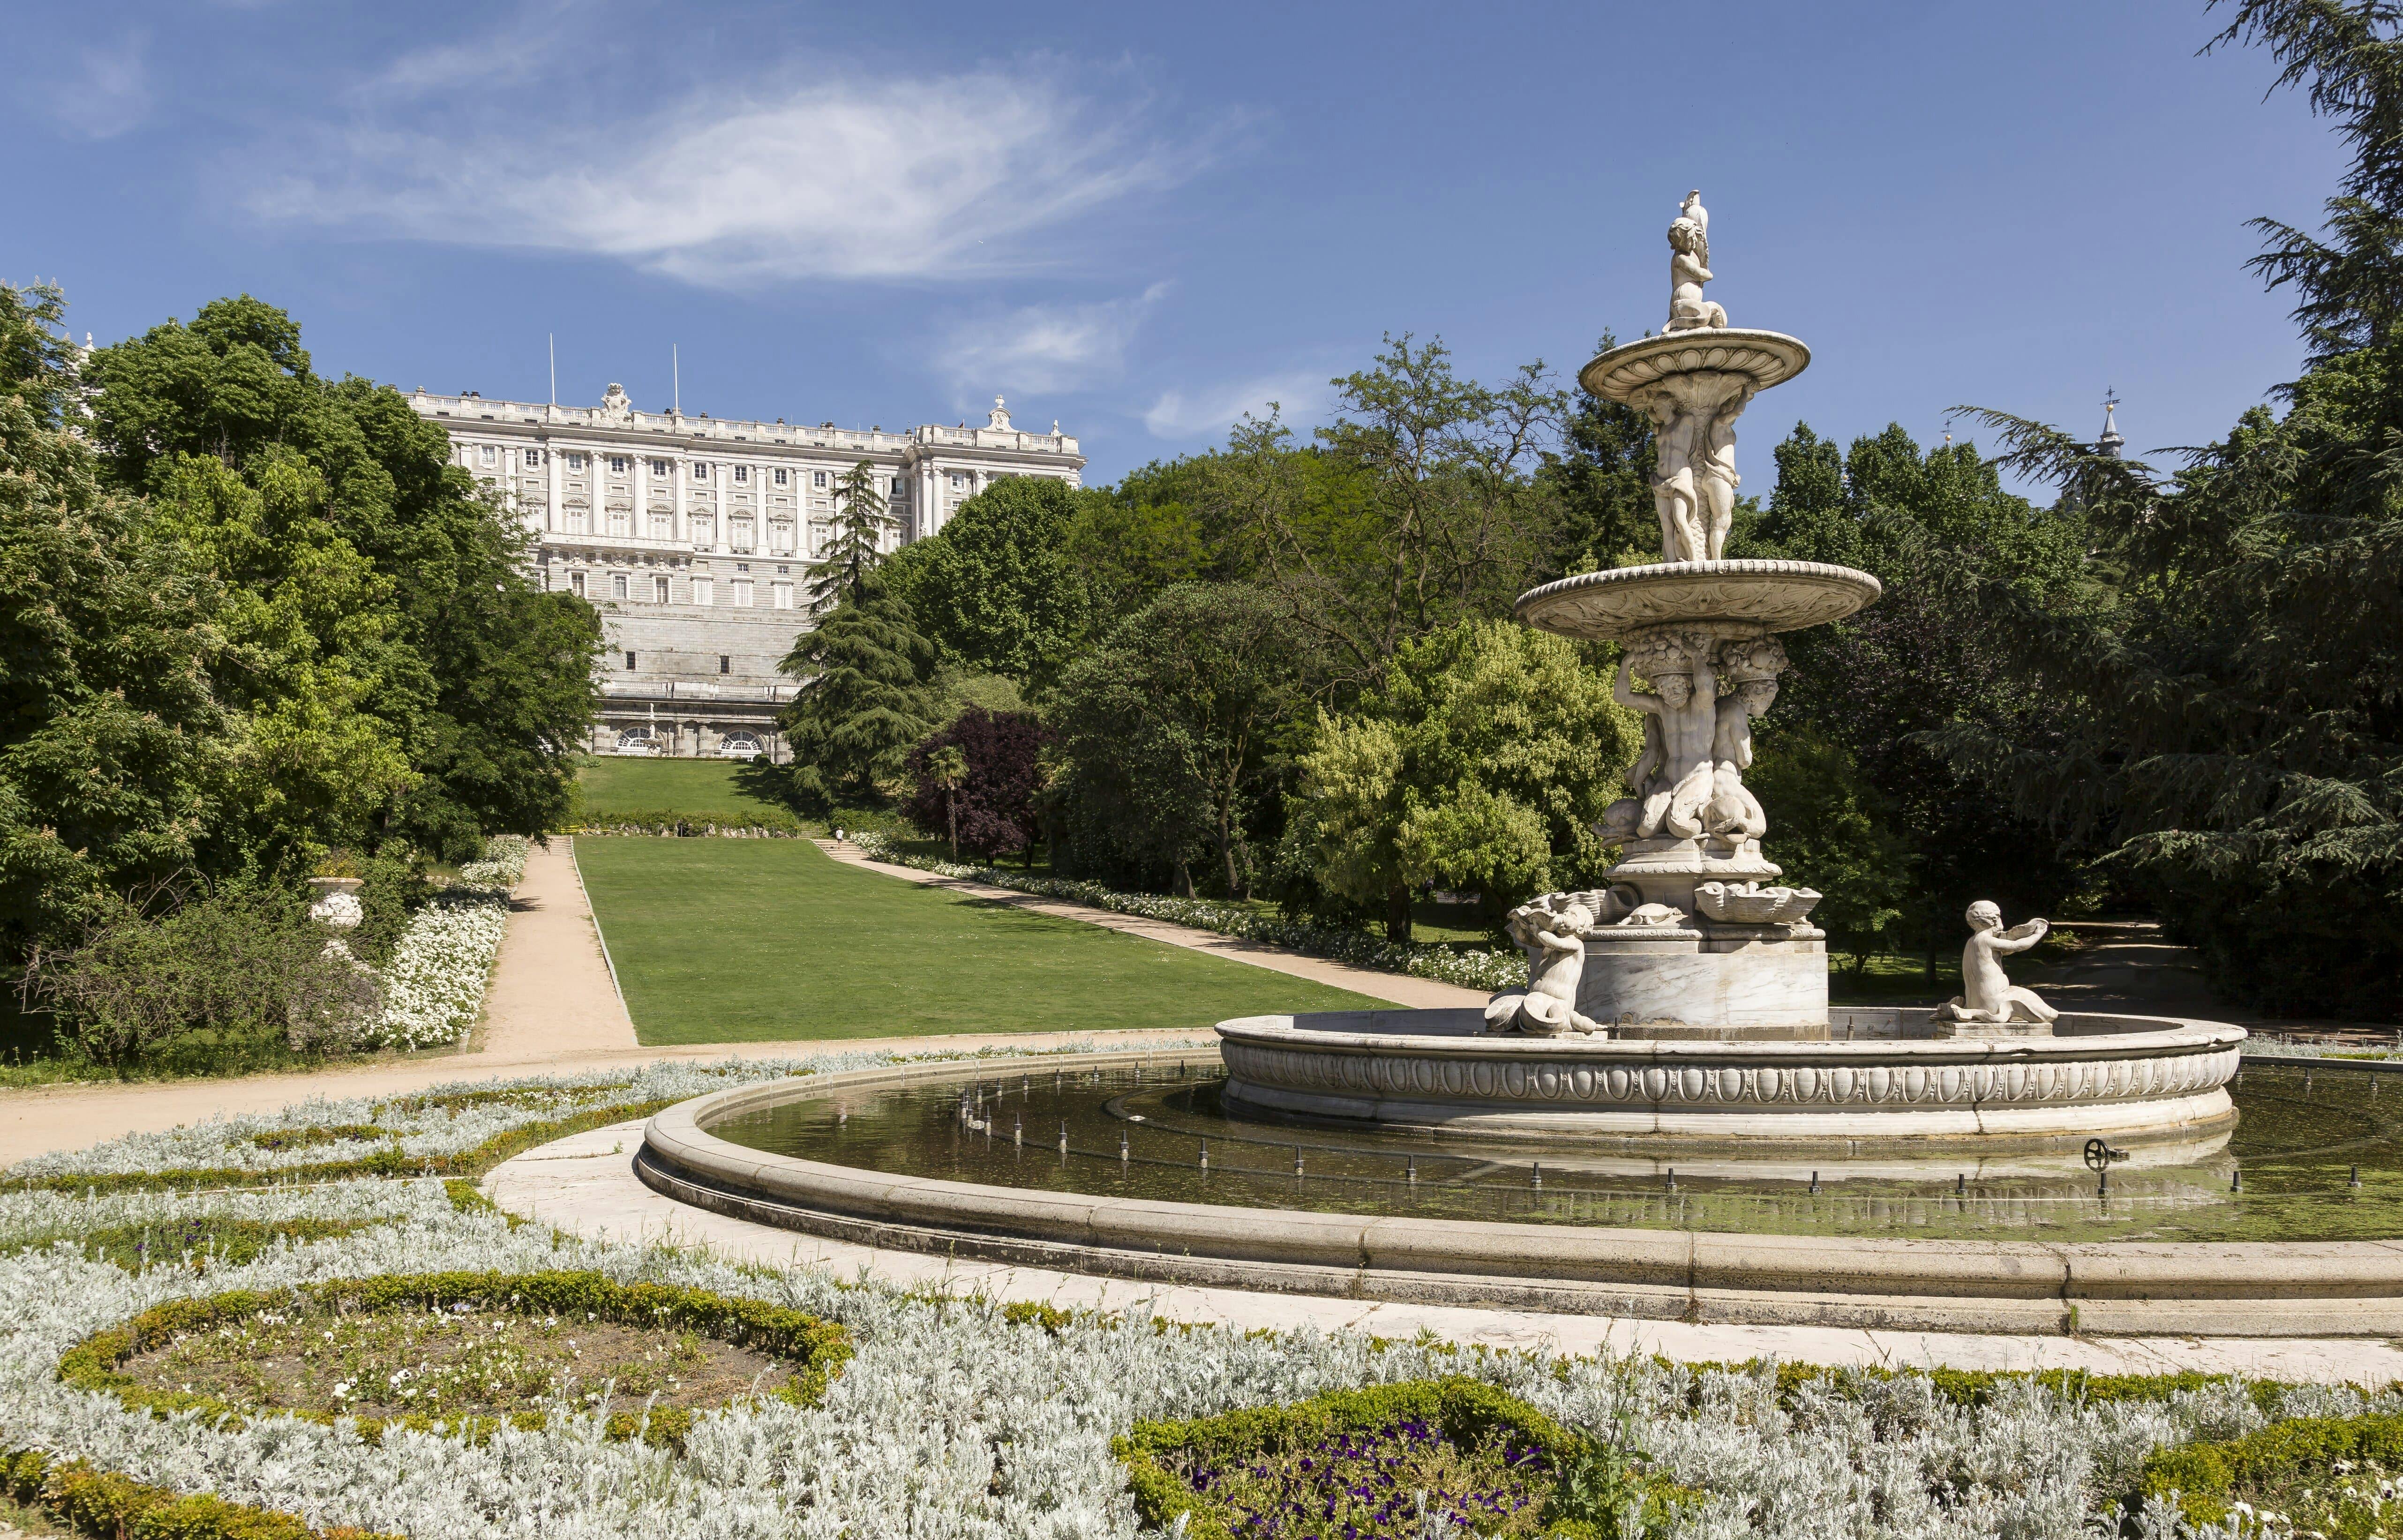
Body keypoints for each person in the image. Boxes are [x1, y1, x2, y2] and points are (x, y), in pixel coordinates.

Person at [1937, 902, 2059, 1027]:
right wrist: (2038, 934)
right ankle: (1981, 1013)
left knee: (2022, 995)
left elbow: (2006, 950)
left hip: (1975, 1002)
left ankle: (1972, 1010)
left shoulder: (1972, 942)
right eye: (1999, 917)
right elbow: (2017, 946)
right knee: (2048, 1015)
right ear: (1994, 920)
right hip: (1994, 1003)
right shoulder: (1986, 940)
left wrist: (2015, 934)